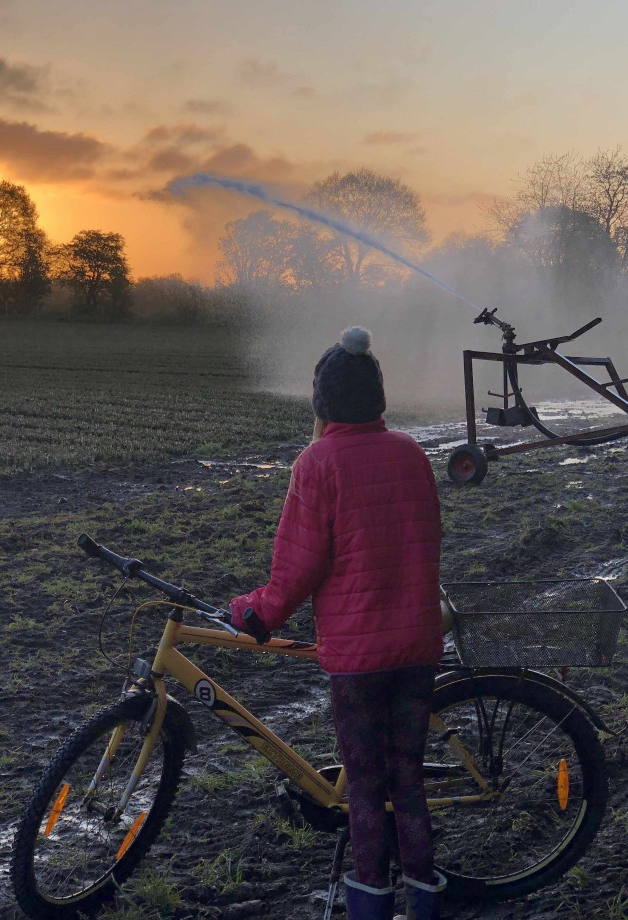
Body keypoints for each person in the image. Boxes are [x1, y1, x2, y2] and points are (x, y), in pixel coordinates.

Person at [229, 326, 446, 920]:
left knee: (366, 790)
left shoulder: (318, 463)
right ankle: (426, 905)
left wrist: (256, 613)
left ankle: (371, 906)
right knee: (408, 779)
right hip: (420, 645)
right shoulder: (410, 452)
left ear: (322, 402)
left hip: (358, 660)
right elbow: (429, 537)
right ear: (377, 397)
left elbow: (297, 569)